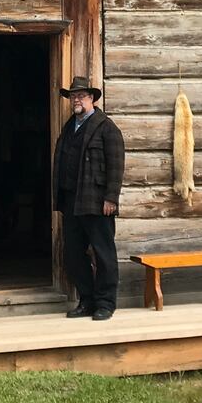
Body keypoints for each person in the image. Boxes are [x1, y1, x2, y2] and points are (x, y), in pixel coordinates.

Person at [53, 75, 125, 320]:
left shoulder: (106, 127)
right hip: (72, 201)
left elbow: (116, 165)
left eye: (81, 96)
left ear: (92, 98)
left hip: (97, 202)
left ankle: (106, 303)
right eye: (73, 96)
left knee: (103, 253)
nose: (76, 100)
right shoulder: (69, 126)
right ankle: (87, 300)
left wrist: (111, 198)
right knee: (73, 254)